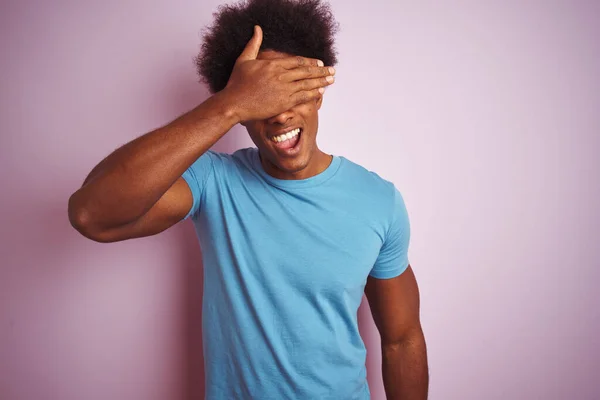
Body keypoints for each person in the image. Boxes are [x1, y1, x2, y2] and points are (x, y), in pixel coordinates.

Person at [68, 0, 428, 398]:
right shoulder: (212, 181)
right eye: (261, 101)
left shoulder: (378, 201)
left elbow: (402, 339)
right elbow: (90, 214)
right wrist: (229, 103)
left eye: (289, 93)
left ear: (318, 93)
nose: (278, 116)